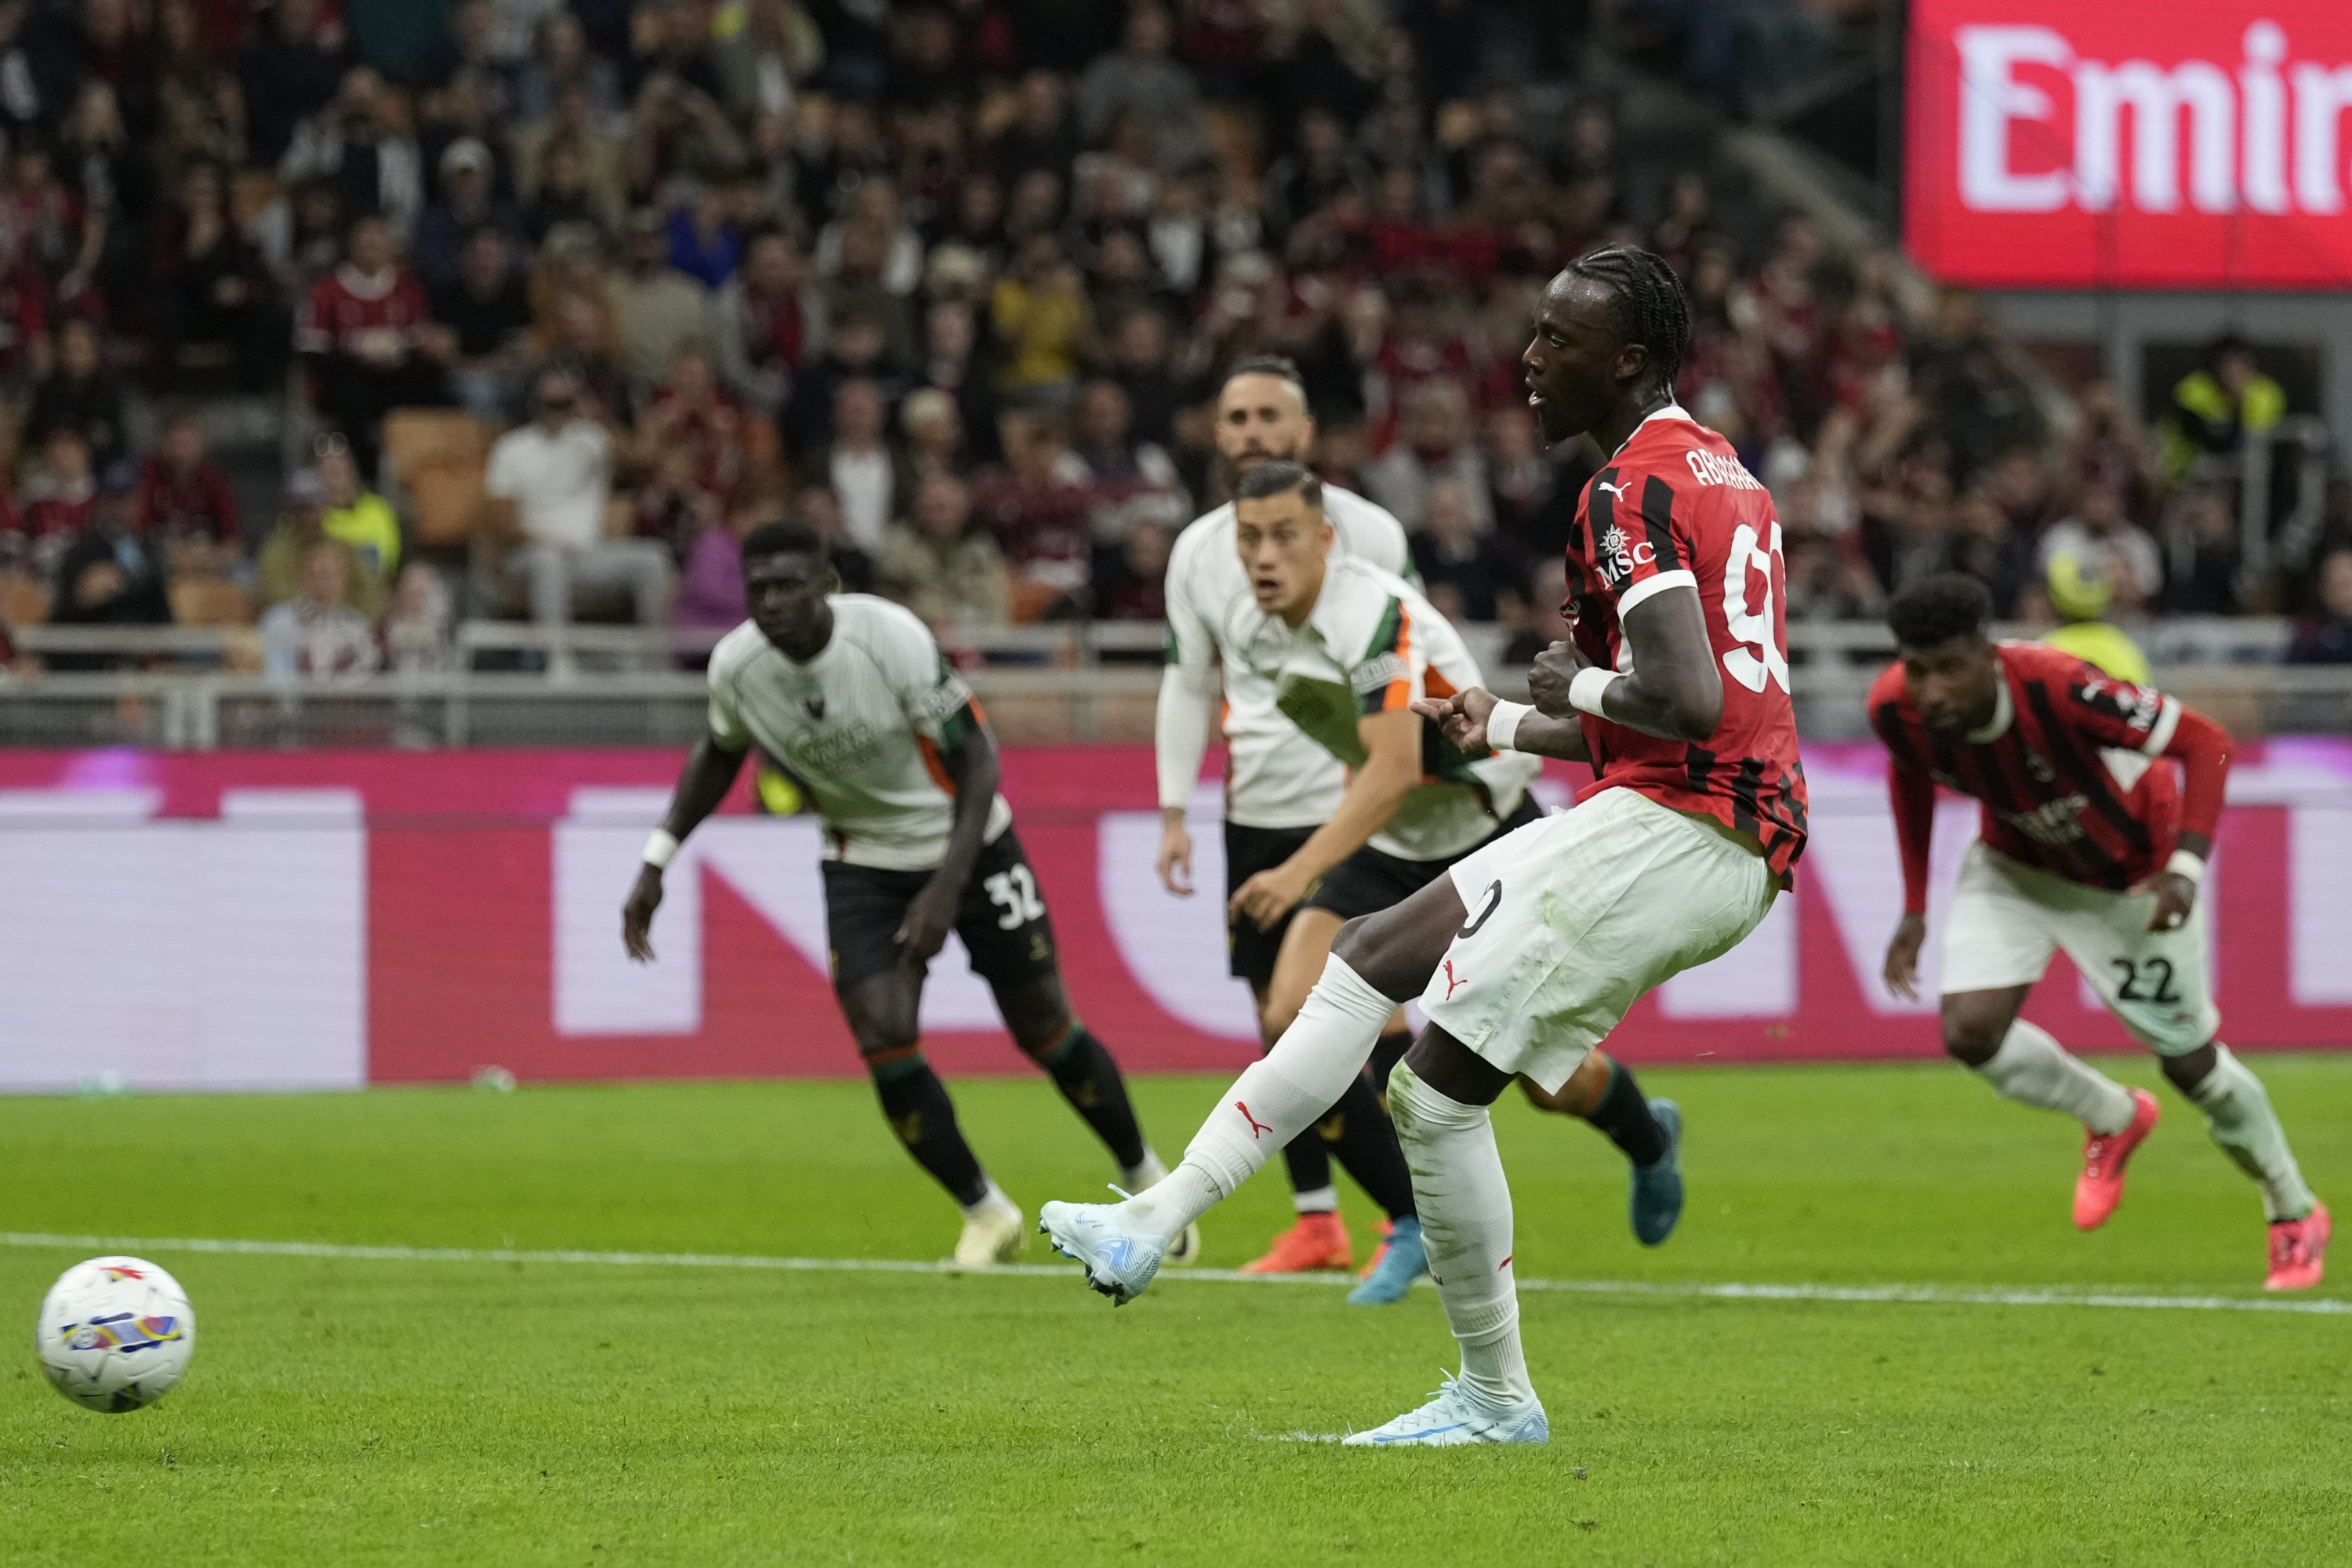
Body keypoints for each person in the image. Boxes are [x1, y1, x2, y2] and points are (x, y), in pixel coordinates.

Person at [1045, 248, 1808, 1448]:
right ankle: (1156, 1215)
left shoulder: (1629, 491)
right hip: (1672, 811)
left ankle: (1496, 1397)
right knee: (1371, 952)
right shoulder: (1722, 471)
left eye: (1560, 340)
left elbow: (1684, 699)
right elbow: (1674, 710)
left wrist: (1587, 679)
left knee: (1436, 1095)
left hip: (1690, 828)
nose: (1531, 359)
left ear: (1629, 360)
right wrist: (1505, 719)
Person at [622, 521, 1196, 1268]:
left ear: (826, 585)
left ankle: (1147, 1180)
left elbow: (980, 762)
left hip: (972, 843)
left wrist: (942, 892)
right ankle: (987, 1213)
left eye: (788, 585)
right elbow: (719, 752)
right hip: (861, 859)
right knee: (882, 1035)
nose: (771, 603)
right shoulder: (737, 667)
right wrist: (657, 859)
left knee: (1044, 1026)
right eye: (757, 589)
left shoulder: (888, 638)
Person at [1871, 573, 2327, 1291]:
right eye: (1917, 669)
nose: (1930, 690)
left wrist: (2185, 866)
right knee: (1970, 1032)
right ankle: (2111, 1116)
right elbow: (1911, 779)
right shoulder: (1894, 707)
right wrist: (1915, 905)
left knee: (2190, 1064)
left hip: (2133, 881)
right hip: (2016, 866)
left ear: (1987, 655)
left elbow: (2207, 745)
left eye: (1949, 669)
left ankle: (2292, 1207)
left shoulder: (2060, 688)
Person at [486, 367, 673, 630]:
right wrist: (547, 542)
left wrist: (598, 417)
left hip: (588, 555)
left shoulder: (592, 440)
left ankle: (655, 663)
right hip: (532, 555)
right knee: (548, 562)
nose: (556, 411)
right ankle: (557, 660)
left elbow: (641, 461)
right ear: (534, 403)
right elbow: (502, 523)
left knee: (654, 558)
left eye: (564, 403)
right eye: (549, 403)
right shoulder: (513, 447)